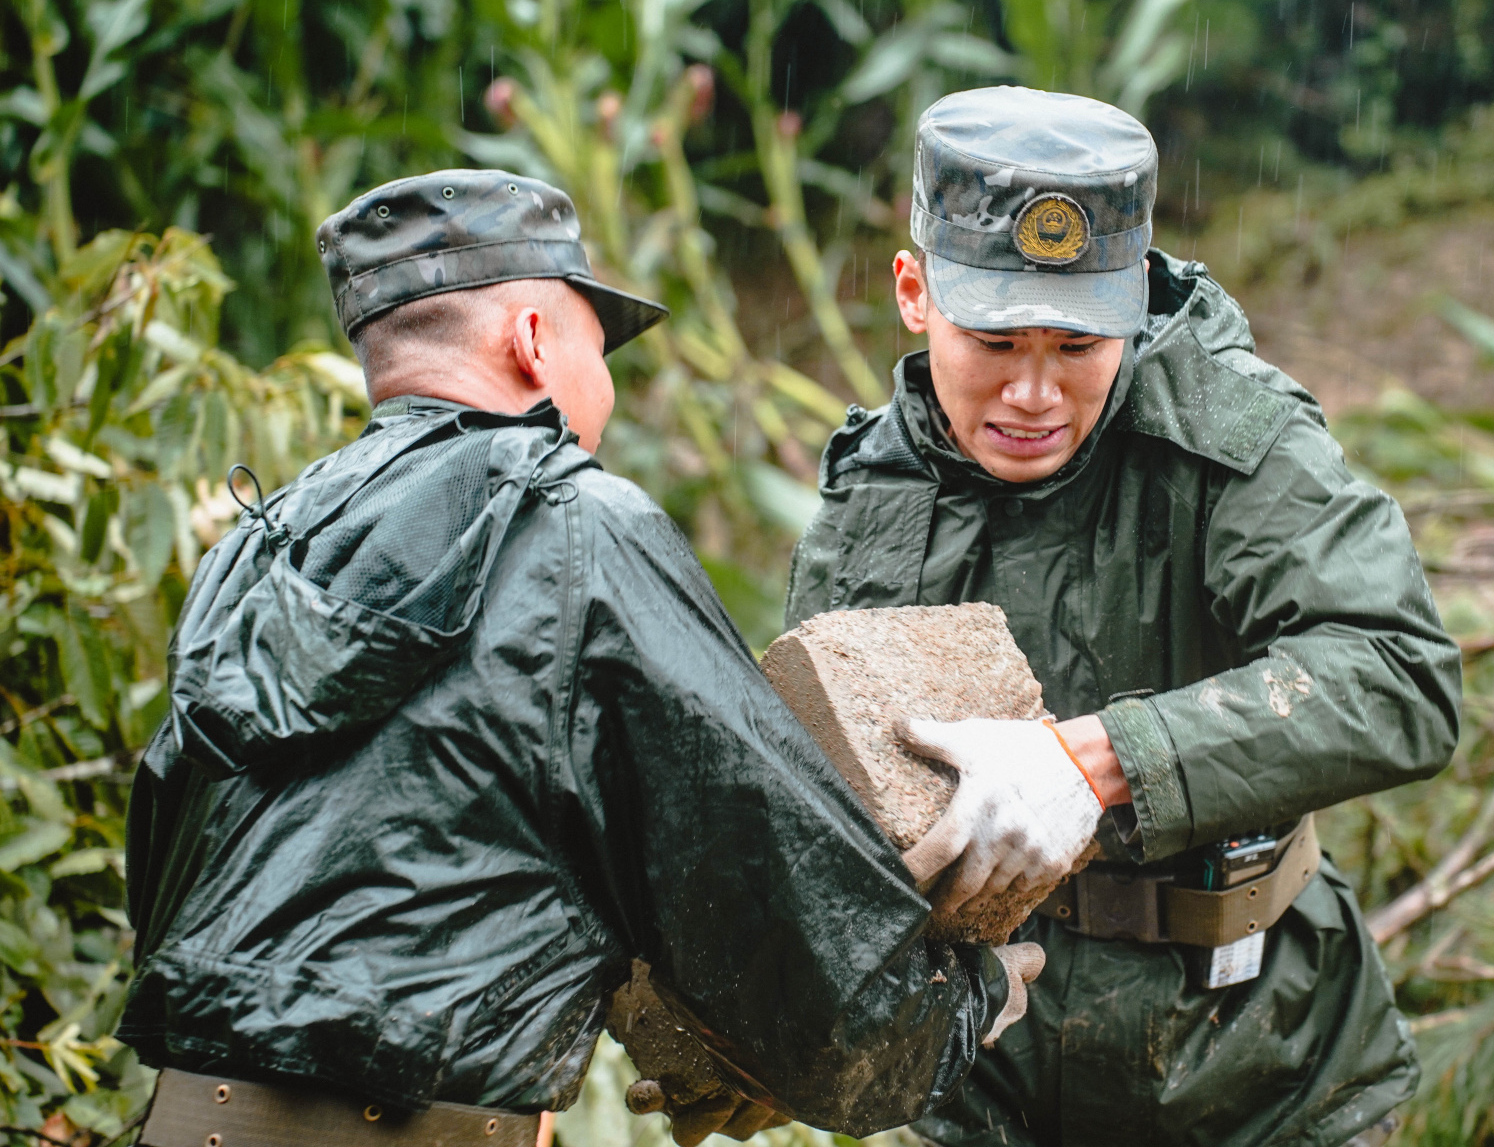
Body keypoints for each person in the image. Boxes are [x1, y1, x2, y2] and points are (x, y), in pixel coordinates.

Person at [119, 169, 1041, 1147]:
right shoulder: (575, 527)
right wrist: (953, 1006)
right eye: (597, 349)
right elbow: (760, 866)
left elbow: (176, 859)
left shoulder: (256, 546)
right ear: (531, 343)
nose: (604, 384)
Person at [786, 88, 1464, 1147]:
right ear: (915, 292)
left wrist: (1100, 761)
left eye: (1078, 345)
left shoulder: (1234, 440)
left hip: (1250, 1065)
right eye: (997, 340)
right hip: (977, 1078)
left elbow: (1397, 675)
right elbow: (819, 784)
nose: (1033, 391)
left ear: (1137, 303)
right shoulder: (878, 483)